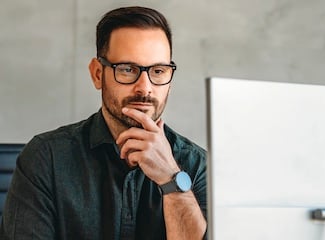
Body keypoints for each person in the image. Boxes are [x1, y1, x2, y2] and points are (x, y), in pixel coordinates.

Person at [0, 6, 207, 240]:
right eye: (128, 69)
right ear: (98, 74)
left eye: (158, 71)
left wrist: (171, 180)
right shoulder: (45, 158)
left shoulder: (199, 166)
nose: (145, 87)